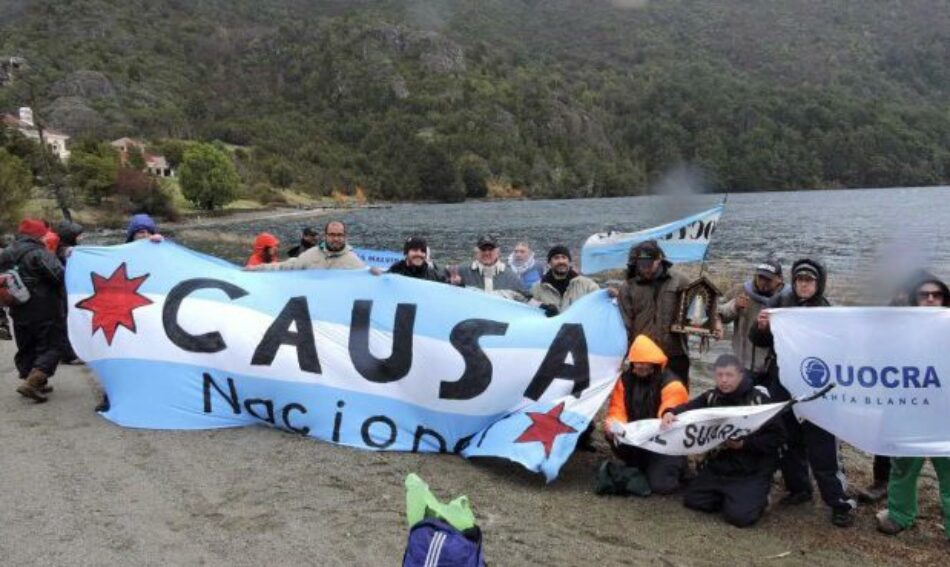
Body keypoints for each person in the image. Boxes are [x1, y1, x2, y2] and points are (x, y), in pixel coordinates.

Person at [749, 258, 857, 527]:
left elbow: (843, 347)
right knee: (786, 436)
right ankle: (799, 488)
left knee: (822, 444)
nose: (803, 285)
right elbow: (759, 340)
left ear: (818, 283)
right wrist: (761, 325)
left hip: (815, 384)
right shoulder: (780, 302)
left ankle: (838, 500)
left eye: (809, 281)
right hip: (782, 380)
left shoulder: (827, 310)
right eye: (799, 280)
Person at [664, 354, 786, 527]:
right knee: (693, 501)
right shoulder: (711, 397)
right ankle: (730, 496)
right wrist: (670, 412)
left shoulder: (759, 401)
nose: (724, 380)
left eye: (729, 375)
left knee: (740, 518)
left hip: (752, 467)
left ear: (741, 375)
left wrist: (745, 444)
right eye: (720, 375)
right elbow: (689, 409)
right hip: (721, 464)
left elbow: (778, 438)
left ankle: (760, 495)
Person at [876, 272, 950, 541]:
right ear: (915, 299)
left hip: (946, 417)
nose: (930, 299)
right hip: (911, 414)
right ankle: (899, 514)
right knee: (903, 468)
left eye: (936, 294)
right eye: (924, 294)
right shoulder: (899, 328)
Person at [604, 334, 689, 494]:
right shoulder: (625, 380)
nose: (639, 366)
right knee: (610, 432)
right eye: (636, 362)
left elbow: (672, 408)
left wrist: (666, 415)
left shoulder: (672, 384)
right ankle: (640, 462)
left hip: (663, 443)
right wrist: (613, 424)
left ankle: (676, 466)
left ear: (654, 363)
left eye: (644, 363)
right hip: (638, 438)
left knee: (661, 486)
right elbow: (617, 408)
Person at [0, 218, 66, 402]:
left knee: (27, 344)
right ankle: (33, 382)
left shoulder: (5, 252)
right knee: (53, 344)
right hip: (44, 307)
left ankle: (32, 377)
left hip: (17, 306)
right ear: (38, 234)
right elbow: (58, 275)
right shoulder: (38, 252)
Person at [614, 240, 695, 386]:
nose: (645, 269)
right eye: (641, 265)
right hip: (643, 357)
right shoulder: (628, 287)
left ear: (659, 260)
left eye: (649, 264)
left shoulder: (679, 280)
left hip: (675, 354)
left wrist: (716, 320)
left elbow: (700, 304)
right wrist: (621, 356)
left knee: (677, 400)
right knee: (644, 402)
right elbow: (624, 324)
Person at [718, 259, 784, 376]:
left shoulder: (786, 298)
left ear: (779, 279)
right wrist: (735, 306)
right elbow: (718, 312)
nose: (763, 282)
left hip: (772, 366)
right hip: (742, 363)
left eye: (768, 279)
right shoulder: (741, 290)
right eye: (760, 278)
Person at [248, 220, 364, 271]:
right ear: (325, 236)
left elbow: (367, 276)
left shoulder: (354, 261)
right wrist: (257, 268)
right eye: (332, 235)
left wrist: (376, 273)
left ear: (345, 236)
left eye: (339, 235)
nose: (336, 238)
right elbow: (285, 266)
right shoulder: (310, 254)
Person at [449, 234, 525, 300]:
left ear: (497, 252)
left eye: (490, 249)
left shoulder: (511, 277)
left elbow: (526, 301)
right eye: (483, 249)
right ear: (476, 252)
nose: (487, 253)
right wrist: (454, 285)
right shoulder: (462, 271)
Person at [530, 245, 599, 316]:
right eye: (556, 258)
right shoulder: (538, 287)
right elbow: (530, 308)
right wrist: (542, 308)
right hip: (552, 326)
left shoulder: (587, 285)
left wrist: (609, 293)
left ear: (569, 261)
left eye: (564, 257)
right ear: (549, 263)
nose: (561, 261)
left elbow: (600, 301)